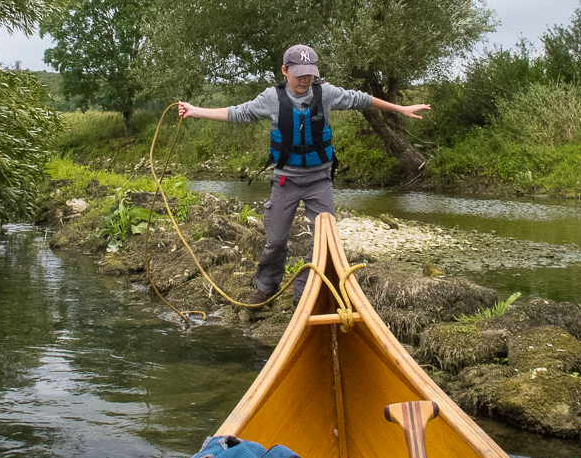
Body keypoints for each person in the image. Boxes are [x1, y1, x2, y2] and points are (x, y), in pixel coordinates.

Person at [178, 44, 430, 305]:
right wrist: (195, 110)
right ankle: (266, 286)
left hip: (319, 180)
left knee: (323, 239)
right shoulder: (271, 98)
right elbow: (237, 112)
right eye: (298, 74)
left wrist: (400, 109)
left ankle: (304, 293)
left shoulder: (327, 93)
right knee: (275, 241)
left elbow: (362, 99)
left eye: (309, 74)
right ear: (285, 71)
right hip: (286, 180)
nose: (304, 80)